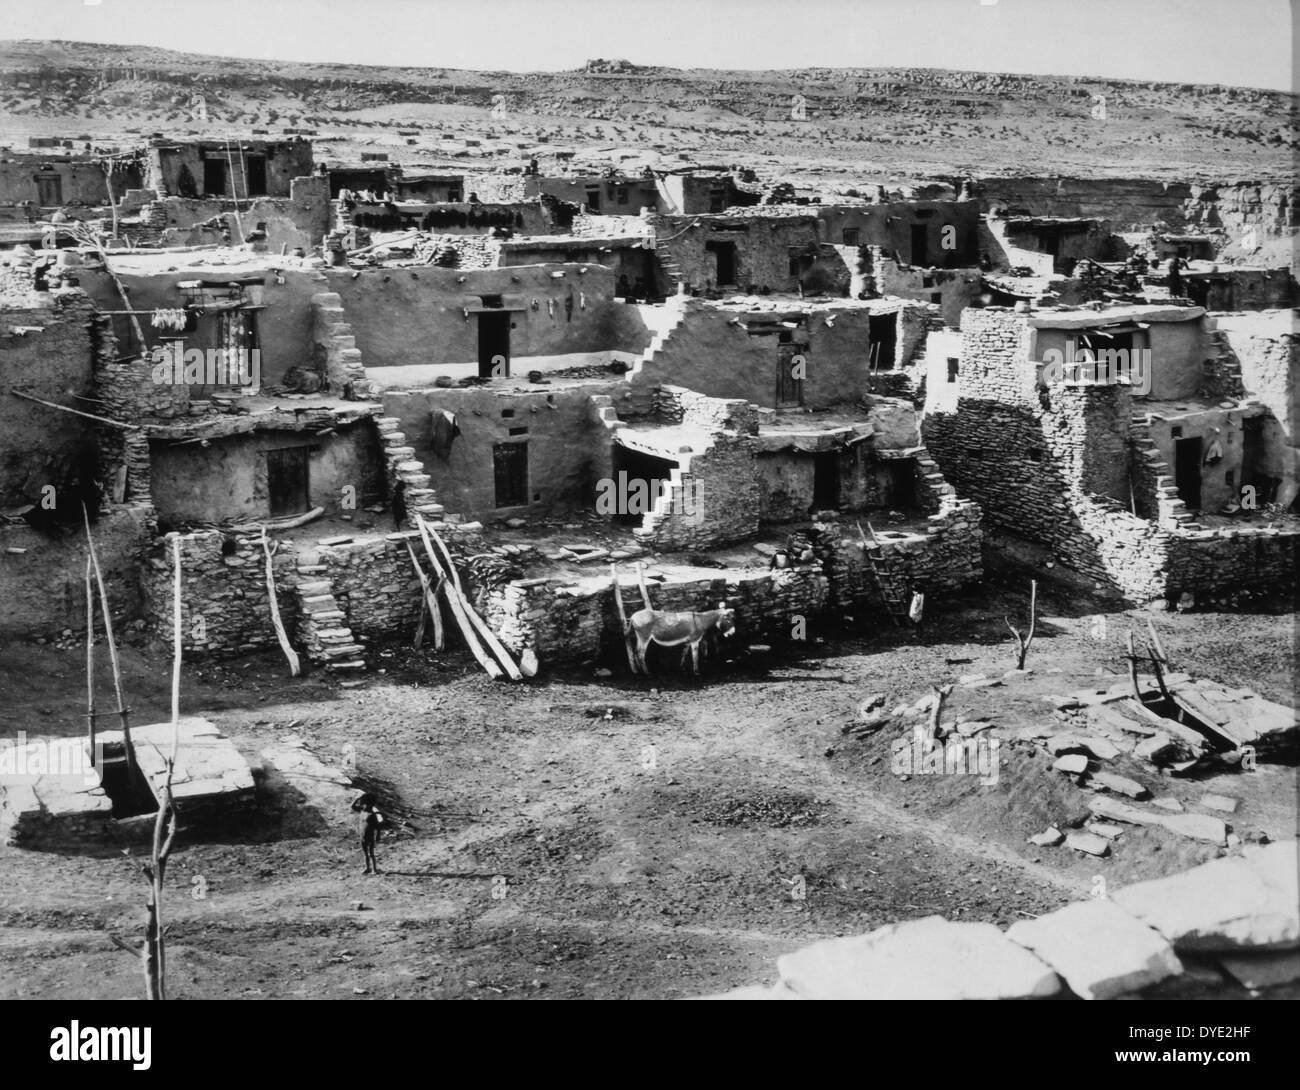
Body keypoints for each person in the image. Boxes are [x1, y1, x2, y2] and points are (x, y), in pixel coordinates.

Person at [351, 793, 390, 875]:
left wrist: (378, 836)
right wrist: (358, 798)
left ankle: (375, 869)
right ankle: (368, 868)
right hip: (362, 836)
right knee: (366, 853)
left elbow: (378, 827)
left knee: (371, 853)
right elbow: (353, 806)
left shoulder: (372, 815)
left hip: (369, 836)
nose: (366, 806)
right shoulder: (363, 811)